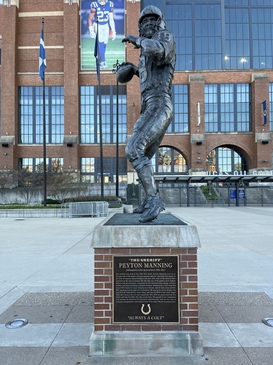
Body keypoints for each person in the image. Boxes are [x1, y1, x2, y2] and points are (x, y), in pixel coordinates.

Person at [117, 5, 176, 223]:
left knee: (133, 147)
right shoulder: (144, 55)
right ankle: (147, 199)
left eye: (153, 20)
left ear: (160, 22)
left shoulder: (164, 37)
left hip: (160, 103)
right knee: (142, 156)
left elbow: (160, 50)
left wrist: (137, 40)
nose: (149, 24)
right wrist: (132, 69)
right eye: (145, 22)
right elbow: (148, 68)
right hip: (149, 107)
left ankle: (154, 200)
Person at [88, 0, 116, 69]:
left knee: (104, 44)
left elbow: (111, 19)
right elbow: (90, 19)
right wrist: (91, 30)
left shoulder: (110, 4)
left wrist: (113, 30)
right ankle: (103, 62)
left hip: (106, 25)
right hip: (98, 25)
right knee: (100, 43)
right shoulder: (94, 5)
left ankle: (99, 61)